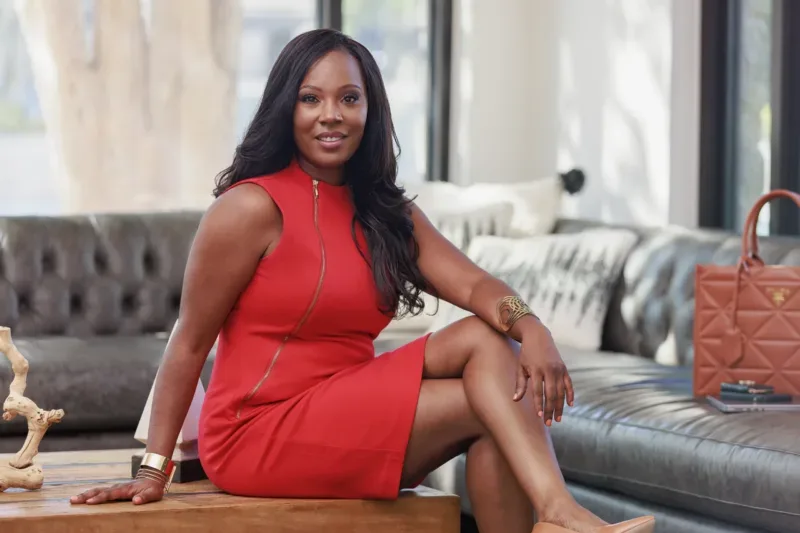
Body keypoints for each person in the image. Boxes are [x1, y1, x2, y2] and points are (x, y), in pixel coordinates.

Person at [70, 29, 655, 533]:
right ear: (286, 108)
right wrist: (153, 470)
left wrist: (534, 329)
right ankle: (561, 515)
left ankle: (558, 516)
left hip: (349, 402)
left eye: (349, 98)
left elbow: (477, 287)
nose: (332, 114)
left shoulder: (386, 213)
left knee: (489, 353)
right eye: (311, 99)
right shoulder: (249, 209)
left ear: (370, 110)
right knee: (494, 400)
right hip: (257, 431)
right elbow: (189, 341)